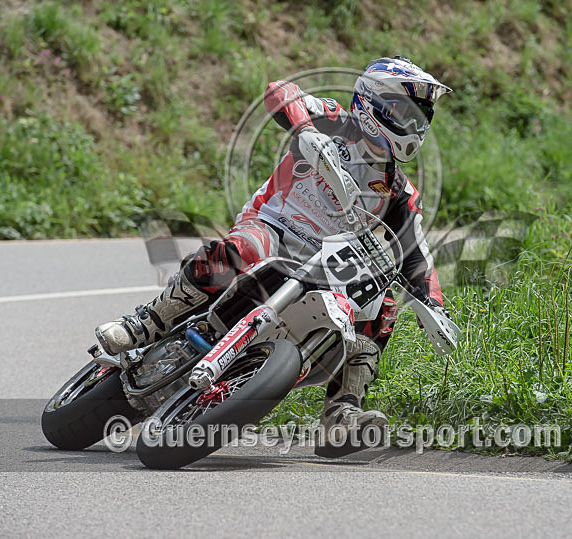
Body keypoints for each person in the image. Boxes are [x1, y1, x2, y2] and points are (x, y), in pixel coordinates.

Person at [96, 56, 452, 439]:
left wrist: (433, 306)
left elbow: (416, 253)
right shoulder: (333, 120)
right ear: (372, 102)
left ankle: (342, 411)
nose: (413, 126)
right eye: (405, 113)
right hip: (273, 227)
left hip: (325, 266)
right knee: (245, 249)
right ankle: (145, 324)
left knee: (382, 305)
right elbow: (281, 92)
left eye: (420, 118)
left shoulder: (400, 192)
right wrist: (305, 130)